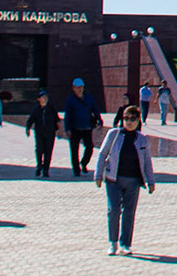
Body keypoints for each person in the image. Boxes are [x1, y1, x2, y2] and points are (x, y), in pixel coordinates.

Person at [92, 105, 156, 255]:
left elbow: (147, 161)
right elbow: (102, 154)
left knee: (129, 212)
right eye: (126, 118)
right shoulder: (113, 134)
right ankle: (113, 243)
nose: (129, 122)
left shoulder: (142, 139)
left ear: (138, 121)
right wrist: (98, 175)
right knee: (113, 210)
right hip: (113, 179)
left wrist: (151, 181)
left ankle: (125, 244)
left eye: (133, 119)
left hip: (133, 181)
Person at [63, 78, 101, 177]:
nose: (80, 89)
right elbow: (67, 115)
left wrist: (99, 119)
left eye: (81, 87)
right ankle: (76, 170)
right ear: (73, 88)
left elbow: (95, 109)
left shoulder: (89, 98)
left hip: (87, 127)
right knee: (74, 150)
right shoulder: (70, 100)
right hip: (74, 128)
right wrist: (67, 128)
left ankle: (84, 163)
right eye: (77, 87)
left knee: (89, 147)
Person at [26, 88, 61, 178]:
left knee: (48, 151)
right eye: (43, 97)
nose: (45, 98)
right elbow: (30, 120)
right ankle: (39, 166)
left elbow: (57, 120)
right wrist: (28, 129)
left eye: (46, 97)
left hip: (50, 133)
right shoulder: (36, 110)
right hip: (39, 133)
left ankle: (46, 170)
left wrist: (59, 131)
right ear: (39, 99)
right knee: (39, 149)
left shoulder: (51, 108)